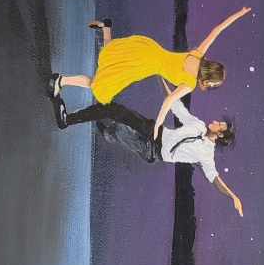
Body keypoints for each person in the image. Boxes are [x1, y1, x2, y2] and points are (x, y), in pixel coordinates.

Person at [47, 7, 251, 135]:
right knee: (102, 83)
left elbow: (217, 30)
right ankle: (60, 81)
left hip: (149, 48)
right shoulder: (189, 83)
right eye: (214, 83)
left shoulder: (197, 55)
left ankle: (106, 28)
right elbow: (168, 102)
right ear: (210, 77)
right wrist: (158, 126)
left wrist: (239, 14)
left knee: (112, 59)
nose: (212, 85)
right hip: (145, 64)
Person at [55, 84, 244, 217]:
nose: (216, 121)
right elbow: (176, 106)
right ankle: (68, 119)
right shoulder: (198, 124)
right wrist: (160, 76)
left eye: (219, 125)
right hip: (153, 129)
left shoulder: (206, 154)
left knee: (117, 130)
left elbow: (214, 179)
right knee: (114, 110)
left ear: (219, 135)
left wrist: (232, 196)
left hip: (152, 150)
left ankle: (109, 134)